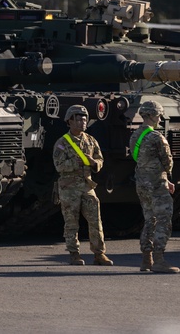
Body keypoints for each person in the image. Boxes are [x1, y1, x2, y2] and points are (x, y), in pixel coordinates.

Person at [52, 105, 113, 266]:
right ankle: (74, 253)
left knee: (95, 220)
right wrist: (75, 162)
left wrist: (94, 163)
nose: (82, 122)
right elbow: (59, 165)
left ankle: (99, 254)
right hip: (69, 187)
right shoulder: (62, 143)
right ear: (69, 121)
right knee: (71, 222)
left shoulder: (91, 141)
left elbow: (100, 159)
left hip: (87, 186)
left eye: (84, 119)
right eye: (78, 119)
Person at [128, 100, 179, 273]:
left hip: (142, 183)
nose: (159, 118)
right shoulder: (157, 137)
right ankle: (159, 259)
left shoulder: (135, 136)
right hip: (157, 184)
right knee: (164, 220)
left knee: (150, 220)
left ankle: (146, 260)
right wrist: (166, 178)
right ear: (150, 115)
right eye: (158, 115)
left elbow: (137, 159)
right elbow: (167, 161)